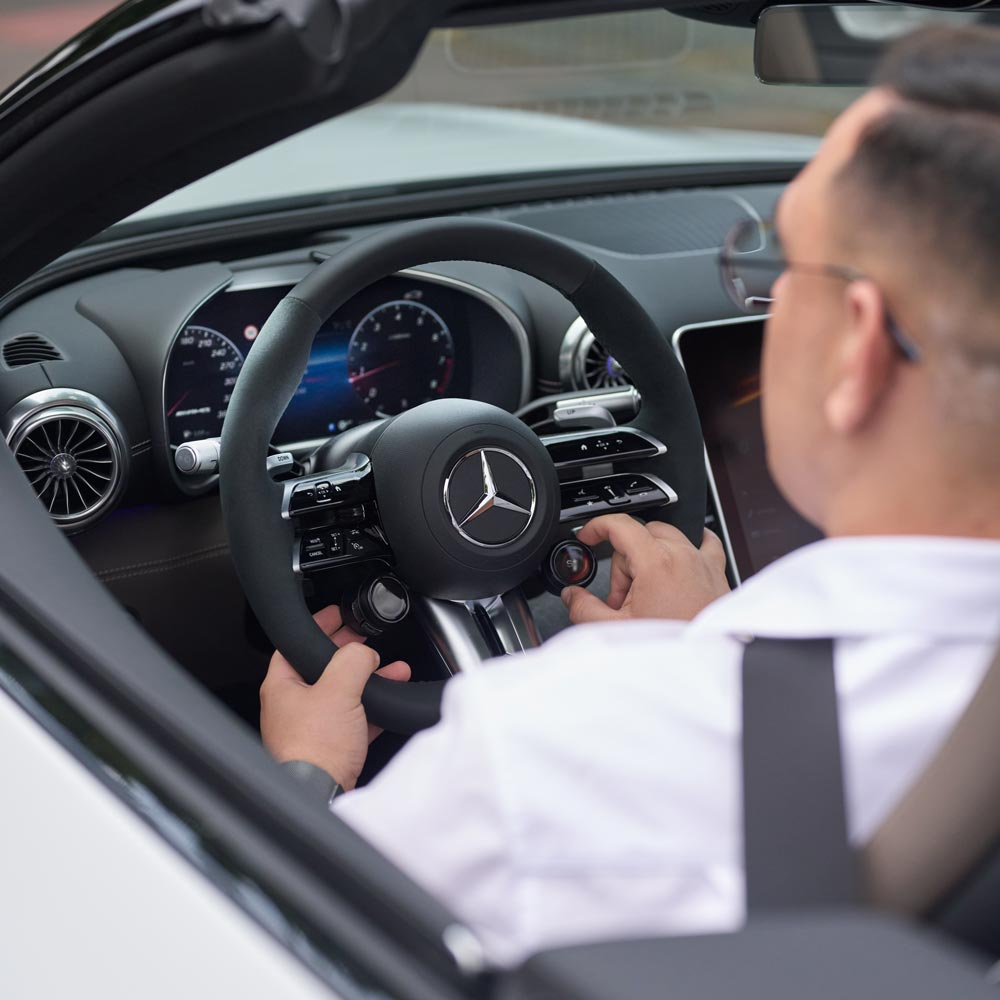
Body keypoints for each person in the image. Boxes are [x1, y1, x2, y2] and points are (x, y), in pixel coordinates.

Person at [259, 26, 1000, 967]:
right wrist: (715, 645)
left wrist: (306, 774)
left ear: (858, 349)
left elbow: (262, 945)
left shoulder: (550, 757)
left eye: (779, 273)